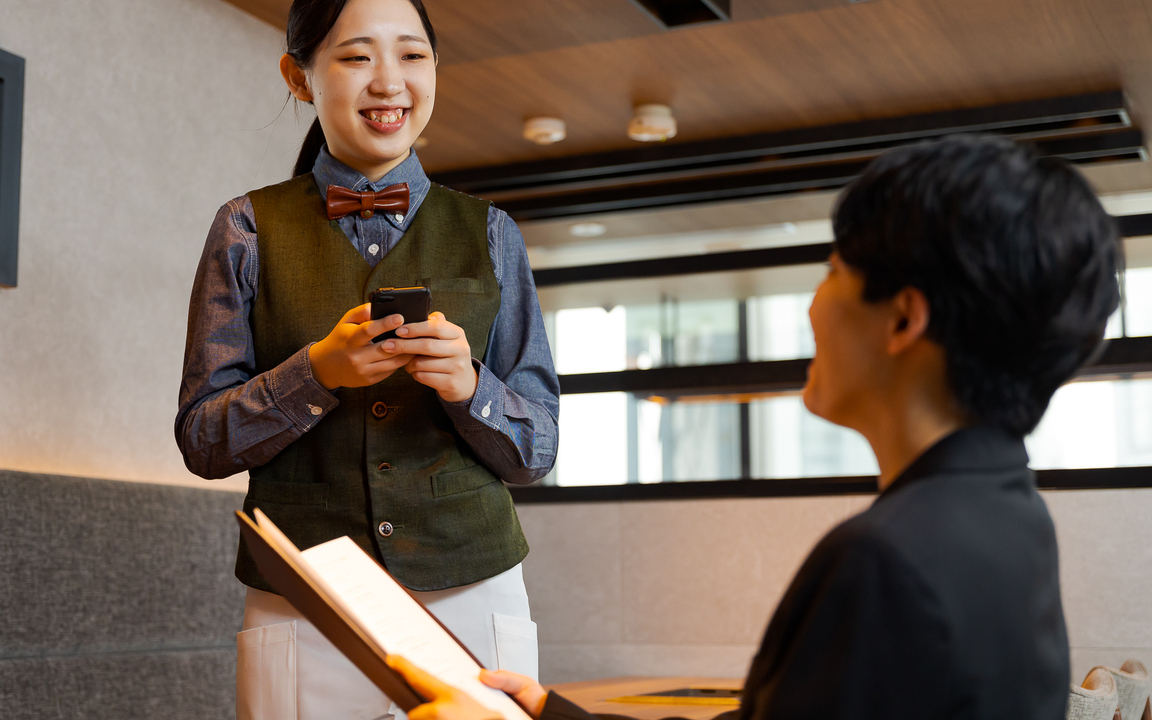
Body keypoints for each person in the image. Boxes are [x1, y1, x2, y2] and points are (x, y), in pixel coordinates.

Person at [389, 135, 1123, 720]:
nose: (812, 305)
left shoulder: (886, 562)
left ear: (903, 319)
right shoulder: (1008, 513)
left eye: (833, 270)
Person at [174, 0, 559, 717]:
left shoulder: (493, 232)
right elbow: (202, 438)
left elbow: (537, 449)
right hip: (304, 596)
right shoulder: (246, 227)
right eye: (357, 57)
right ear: (299, 76)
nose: (389, 82)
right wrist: (315, 373)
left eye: (412, 56)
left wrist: (469, 387)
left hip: (472, 589)